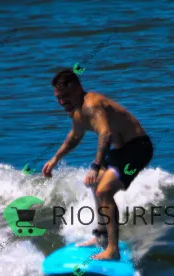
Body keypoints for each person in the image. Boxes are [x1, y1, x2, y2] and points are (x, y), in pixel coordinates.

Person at [42, 69, 154, 261]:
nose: (61, 101)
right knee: (95, 185)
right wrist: (55, 159)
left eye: (65, 96)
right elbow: (75, 136)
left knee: (104, 191)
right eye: (58, 97)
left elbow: (105, 134)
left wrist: (96, 166)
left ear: (77, 88)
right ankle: (101, 237)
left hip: (138, 149)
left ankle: (112, 250)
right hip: (120, 152)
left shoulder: (92, 105)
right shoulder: (76, 110)